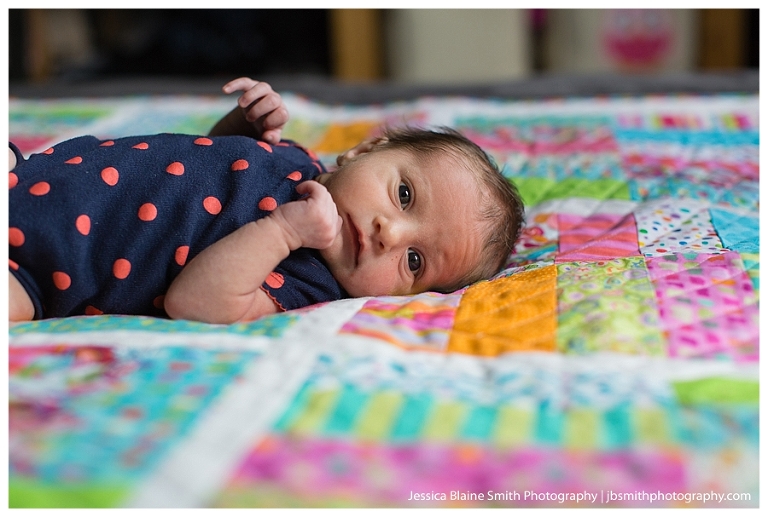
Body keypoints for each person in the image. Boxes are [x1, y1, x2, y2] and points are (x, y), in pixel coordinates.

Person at [8, 77, 525, 324]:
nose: (391, 233)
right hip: (26, 173)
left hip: (40, 269)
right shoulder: (296, 159)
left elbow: (197, 304)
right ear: (368, 149)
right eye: (404, 195)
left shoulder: (303, 283)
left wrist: (284, 232)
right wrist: (242, 127)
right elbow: (199, 166)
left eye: (414, 262)